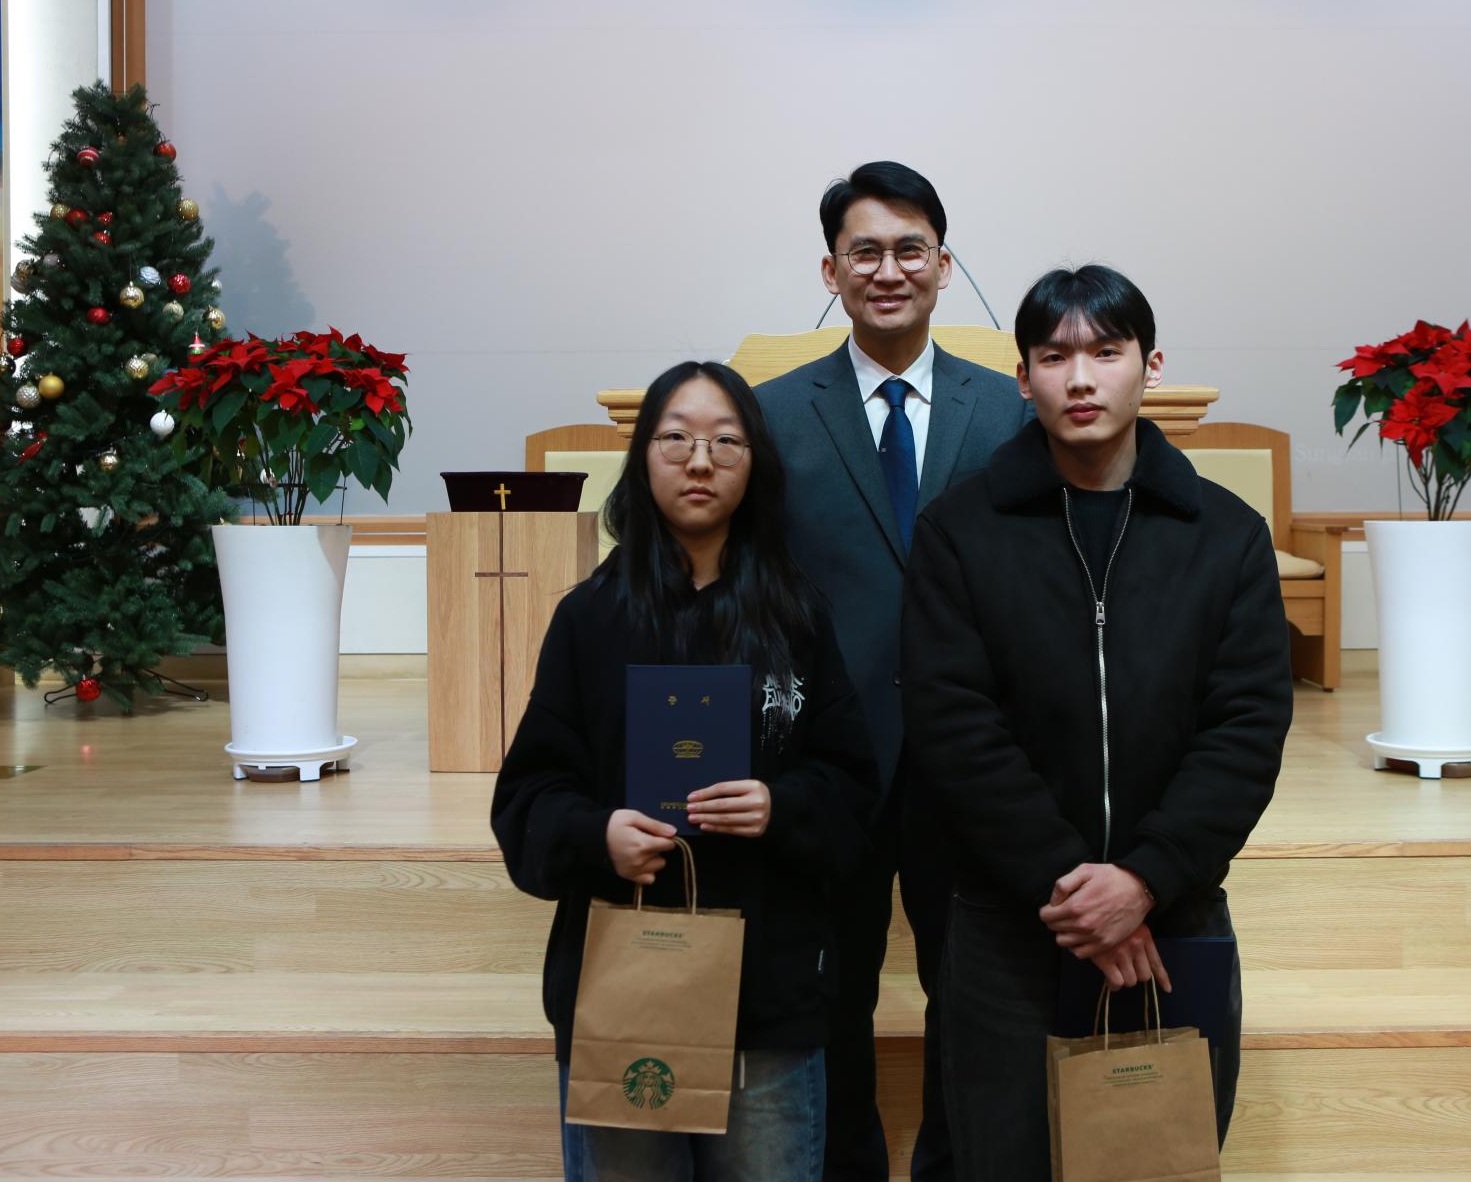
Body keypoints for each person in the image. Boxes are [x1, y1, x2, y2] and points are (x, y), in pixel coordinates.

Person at [899, 264, 1291, 1180]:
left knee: (1156, 1165)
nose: (1080, 379)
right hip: (1010, 922)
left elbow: (1245, 728)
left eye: (1106, 353)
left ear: (1151, 367)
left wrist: (1144, 880)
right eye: (1054, 356)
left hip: (1175, 916)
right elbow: (954, 724)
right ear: (1023, 376)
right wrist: (1074, 887)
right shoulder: (960, 531)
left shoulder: (1226, 535)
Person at [492, 361, 879, 1181]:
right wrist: (599, 835)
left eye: (725, 442)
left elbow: (852, 788)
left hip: (768, 995)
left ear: (754, 464)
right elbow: (527, 798)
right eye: (676, 439)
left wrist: (779, 806)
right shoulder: (589, 618)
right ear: (642, 458)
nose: (700, 461)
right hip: (624, 989)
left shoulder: (797, 617)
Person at [755, 161, 1030, 1180]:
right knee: (835, 992)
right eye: (864, 251)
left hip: (973, 755)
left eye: (911, 249)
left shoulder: (1008, 410)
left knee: (974, 991)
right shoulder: (772, 413)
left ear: (944, 267)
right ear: (830, 272)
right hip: (834, 759)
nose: (888, 269)